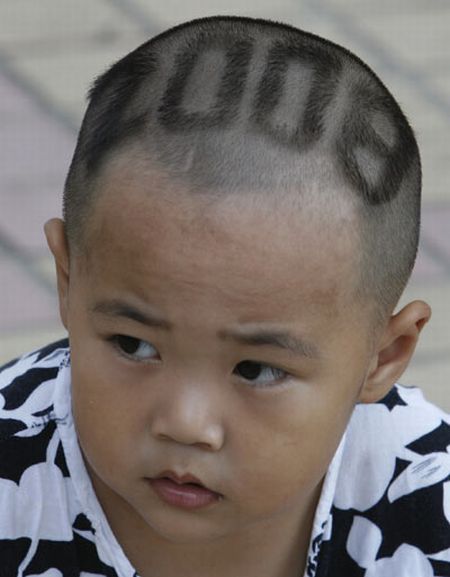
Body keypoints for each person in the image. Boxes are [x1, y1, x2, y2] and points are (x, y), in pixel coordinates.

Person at [1, 15, 449, 577]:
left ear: (382, 356)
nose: (186, 424)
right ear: (68, 281)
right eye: (133, 345)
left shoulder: (428, 500)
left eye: (256, 370)